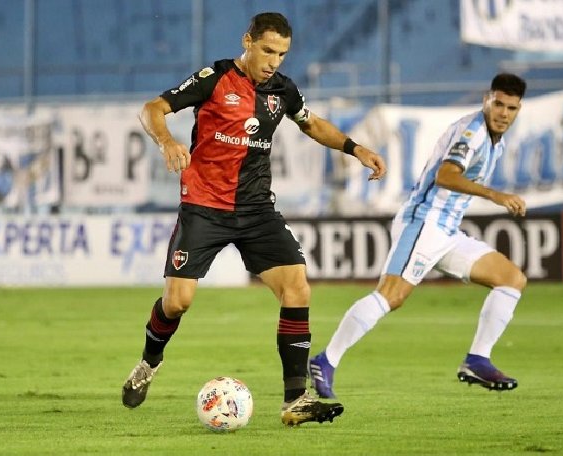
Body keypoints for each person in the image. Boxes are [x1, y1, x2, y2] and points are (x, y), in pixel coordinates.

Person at [121, 12, 387, 426]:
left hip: (257, 209)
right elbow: (153, 108)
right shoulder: (215, 78)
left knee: (297, 287)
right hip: (204, 205)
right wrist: (167, 141)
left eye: (281, 54)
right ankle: (148, 363)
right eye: (267, 50)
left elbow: (312, 124)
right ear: (247, 41)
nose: (274, 61)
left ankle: (295, 401)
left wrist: (355, 148)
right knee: (177, 303)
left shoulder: (283, 90)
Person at [309, 73, 528, 398]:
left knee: (511, 279)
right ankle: (325, 361)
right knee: (391, 295)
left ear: (517, 109)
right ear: (487, 99)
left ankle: (478, 358)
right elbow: (446, 175)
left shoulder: (498, 139)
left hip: (446, 231)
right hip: (424, 223)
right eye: (498, 104)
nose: (503, 113)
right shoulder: (474, 133)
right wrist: (493, 195)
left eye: (511, 107)